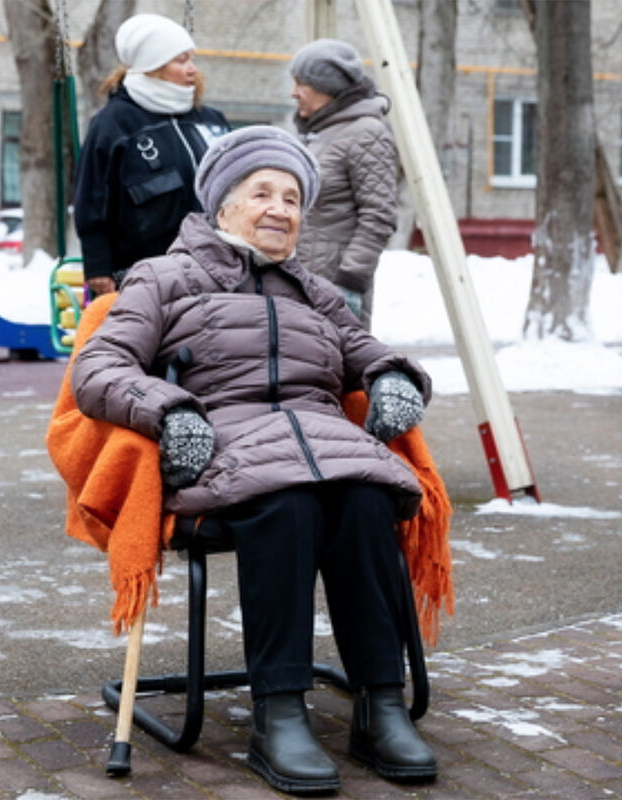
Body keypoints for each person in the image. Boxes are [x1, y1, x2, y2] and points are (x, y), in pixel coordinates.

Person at [70, 126, 437, 793]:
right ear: (221, 205)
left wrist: (393, 377)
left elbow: (369, 349)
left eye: (293, 198)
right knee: (287, 501)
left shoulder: (314, 290)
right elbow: (97, 368)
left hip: (325, 445)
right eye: (261, 192)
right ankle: (279, 711)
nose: (280, 209)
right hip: (223, 451)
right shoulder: (165, 277)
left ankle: (380, 700)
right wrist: (170, 411)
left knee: (364, 500)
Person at [72, 13, 229, 298]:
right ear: (153, 67)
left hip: (215, 274)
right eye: (181, 61)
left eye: (192, 59)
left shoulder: (211, 120)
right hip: (140, 278)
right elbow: (90, 200)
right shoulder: (114, 123)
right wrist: (99, 268)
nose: (192, 69)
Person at [289, 39, 398, 329]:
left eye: (301, 84)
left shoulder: (366, 134)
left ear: (327, 88)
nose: (293, 93)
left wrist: (349, 280)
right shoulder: (318, 133)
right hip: (298, 280)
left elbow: (379, 214)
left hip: (334, 287)